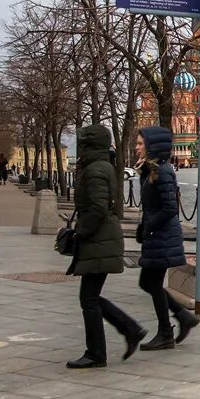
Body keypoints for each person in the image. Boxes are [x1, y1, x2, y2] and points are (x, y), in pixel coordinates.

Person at [67, 125, 147, 368]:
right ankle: (129, 330)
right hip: (101, 238)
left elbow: (98, 207)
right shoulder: (101, 166)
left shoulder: (95, 169)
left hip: (99, 239)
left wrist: (80, 232)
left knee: (88, 298)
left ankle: (98, 352)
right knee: (90, 296)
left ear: (90, 146)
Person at [134, 127, 200, 351]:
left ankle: (167, 331)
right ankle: (181, 318)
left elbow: (170, 208)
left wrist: (149, 226)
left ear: (152, 146)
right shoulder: (153, 170)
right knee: (148, 282)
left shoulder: (162, 172)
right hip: (157, 236)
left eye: (141, 143)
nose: (137, 147)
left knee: (149, 282)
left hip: (161, 236)